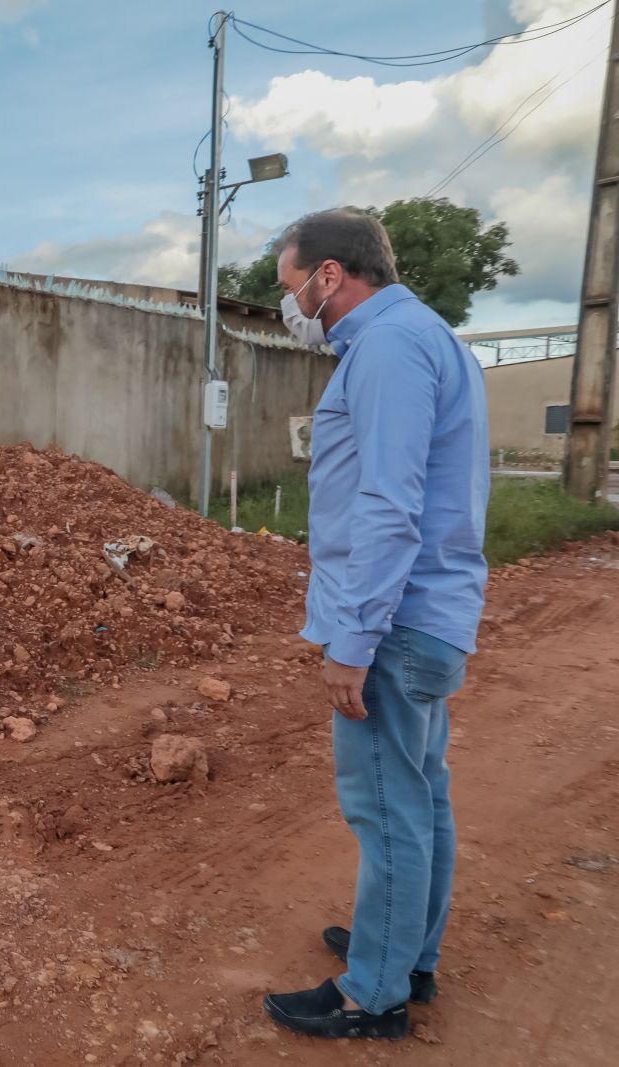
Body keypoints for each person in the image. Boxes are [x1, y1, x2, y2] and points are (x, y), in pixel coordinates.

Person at [262, 209, 489, 1041]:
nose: (292, 307)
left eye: (292, 288)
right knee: (421, 795)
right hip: (431, 611)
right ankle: (406, 953)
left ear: (330, 275)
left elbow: (390, 506)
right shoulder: (429, 338)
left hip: (392, 621)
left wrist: (351, 643)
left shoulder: (389, 349)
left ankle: (374, 994)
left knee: (387, 806)